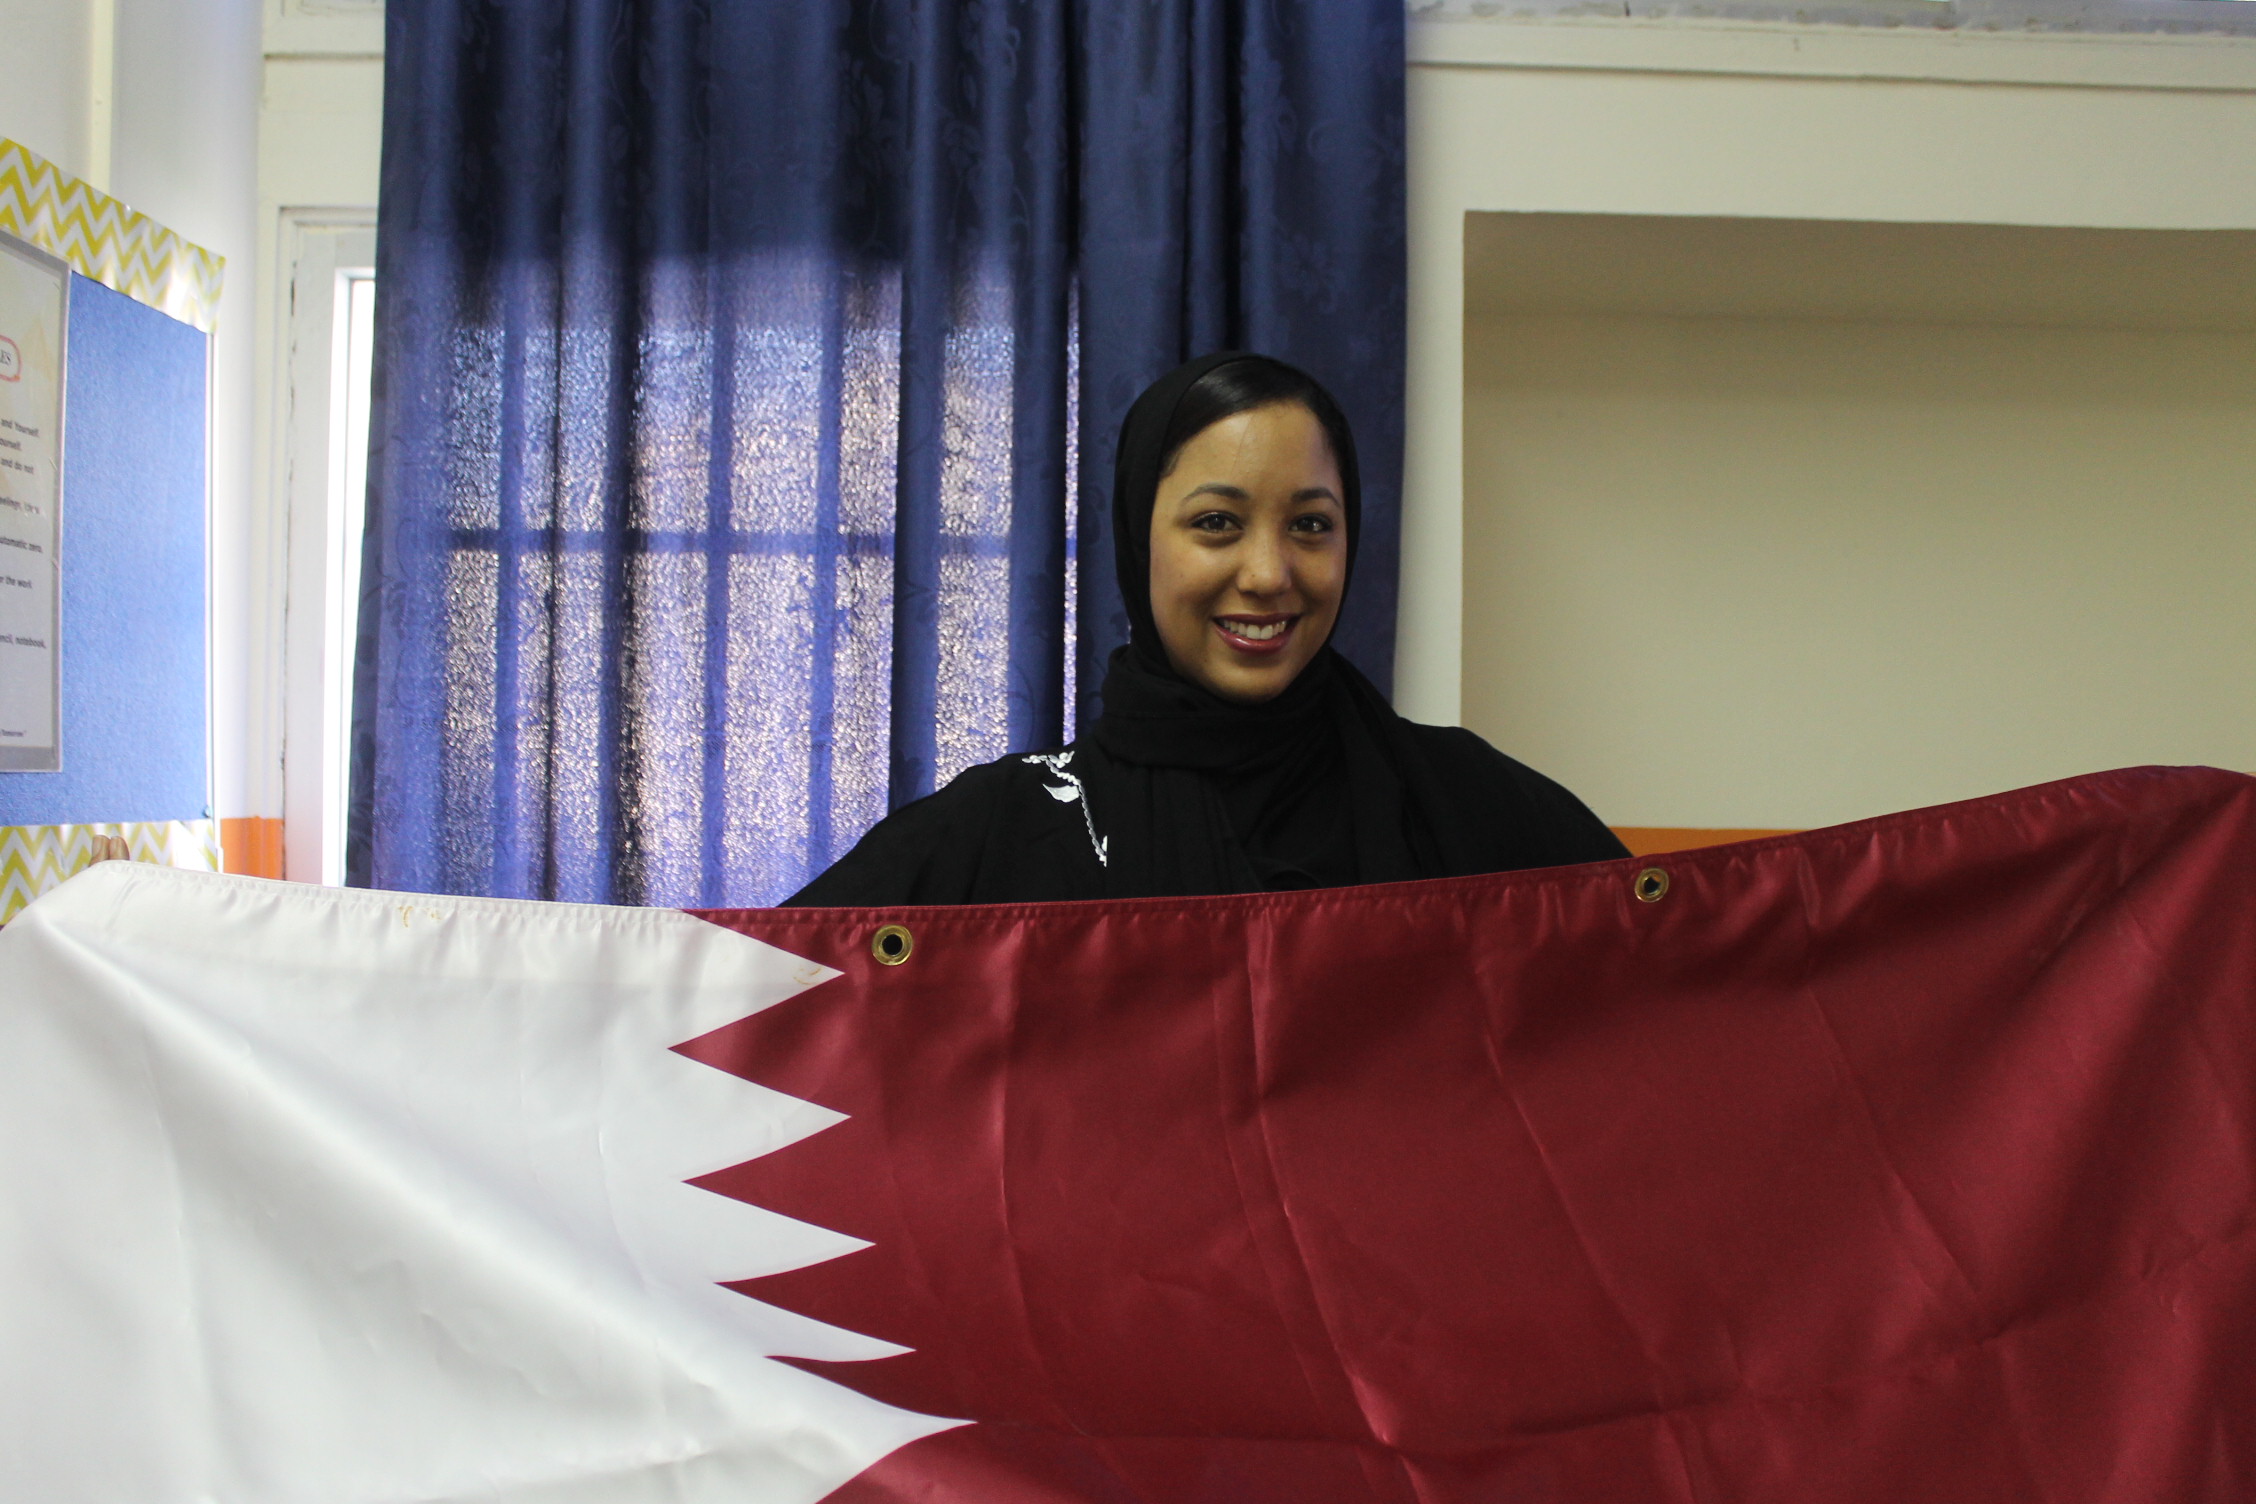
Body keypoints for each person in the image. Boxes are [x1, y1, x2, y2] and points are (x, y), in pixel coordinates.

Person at [785, 352, 1627, 906]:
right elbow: (755, 1017)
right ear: (1138, 541)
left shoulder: (1462, 803)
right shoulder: (1006, 831)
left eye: (1310, 525)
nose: (1268, 574)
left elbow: (1662, 997)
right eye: (1217, 523)